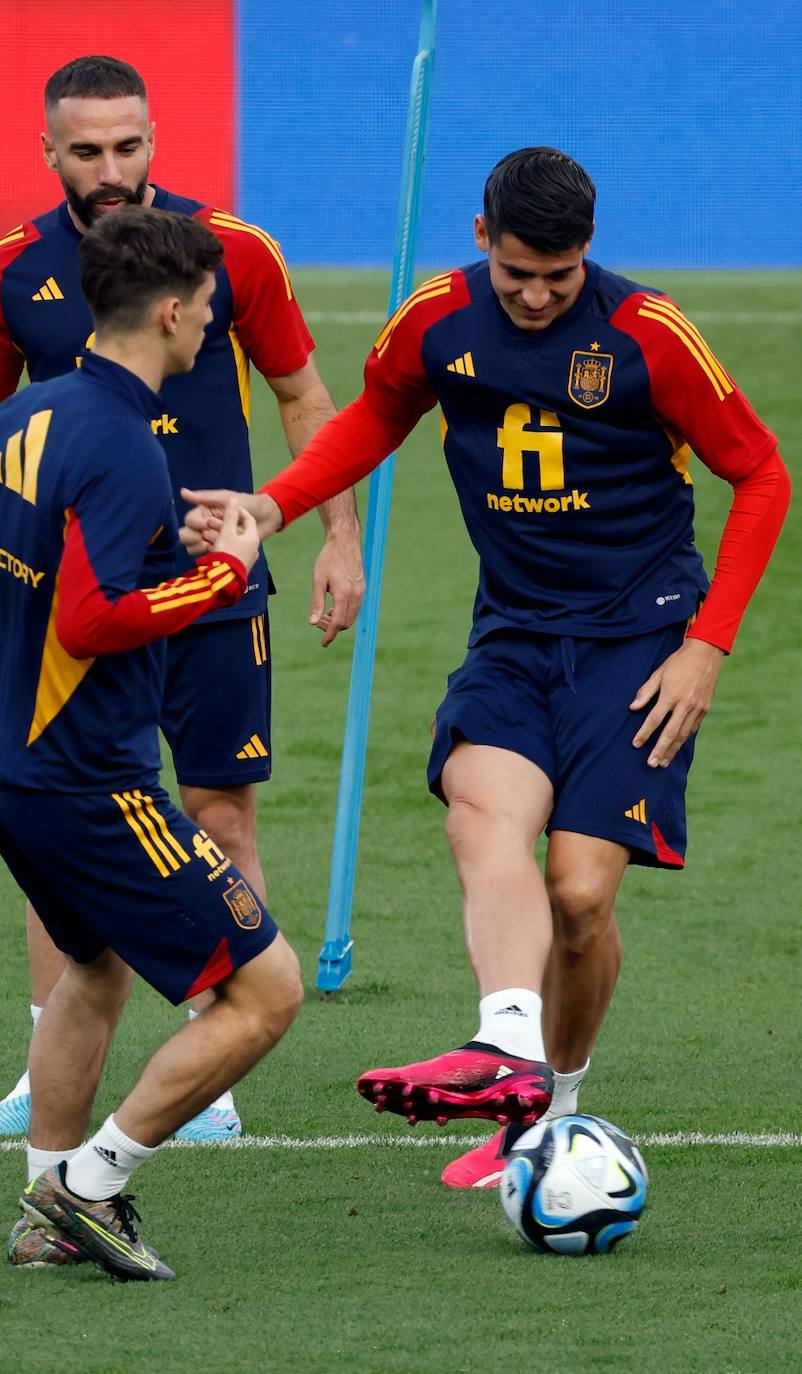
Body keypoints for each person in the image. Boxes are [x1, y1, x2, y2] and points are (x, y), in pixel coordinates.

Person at [181, 147, 791, 1188]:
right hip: (511, 631)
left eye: (560, 275)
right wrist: (274, 507)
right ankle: (507, 1038)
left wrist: (707, 645)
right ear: (480, 239)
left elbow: (761, 473)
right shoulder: (434, 319)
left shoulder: (649, 336)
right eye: (518, 274)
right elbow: (378, 413)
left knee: (582, 895)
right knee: (482, 811)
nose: (539, 294)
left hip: (640, 640)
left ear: (588, 251)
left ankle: (555, 1100)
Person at [0, 54, 361, 1143]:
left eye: (128, 146)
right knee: (70, 817)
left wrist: (336, 538)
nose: (109, 169)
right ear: (48, 152)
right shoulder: (5, 274)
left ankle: (211, 1064)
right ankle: (48, 1070)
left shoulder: (233, 255)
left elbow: (305, 397)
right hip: (76, 597)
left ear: (155, 140)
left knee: (217, 810)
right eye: (86, 151)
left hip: (215, 589)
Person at [0, 206, 304, 1281]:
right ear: (169, 312)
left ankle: (40, 1216)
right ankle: (90, 1184)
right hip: (91, 786)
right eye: (206, 309)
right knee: (265, 992)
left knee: (96, 969)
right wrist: (224, 571)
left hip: (9, 771)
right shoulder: (122, 440)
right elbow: (91, 618)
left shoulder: (32, 413)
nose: (213, 326)